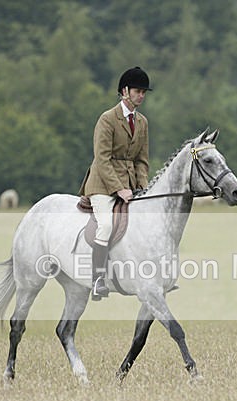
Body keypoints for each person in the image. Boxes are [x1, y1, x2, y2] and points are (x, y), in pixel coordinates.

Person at [79, 66, 151, 300]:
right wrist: (118, 188)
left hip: (130, 185)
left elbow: (142, 160)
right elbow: (102, 159)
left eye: (144, 92)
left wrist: (143, 188)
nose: (141, 95)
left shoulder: (142, 123)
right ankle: (98, 279)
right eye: (138, 91)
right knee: (107, 225)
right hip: (102, 184)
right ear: (124, 91)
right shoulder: (107, 119)